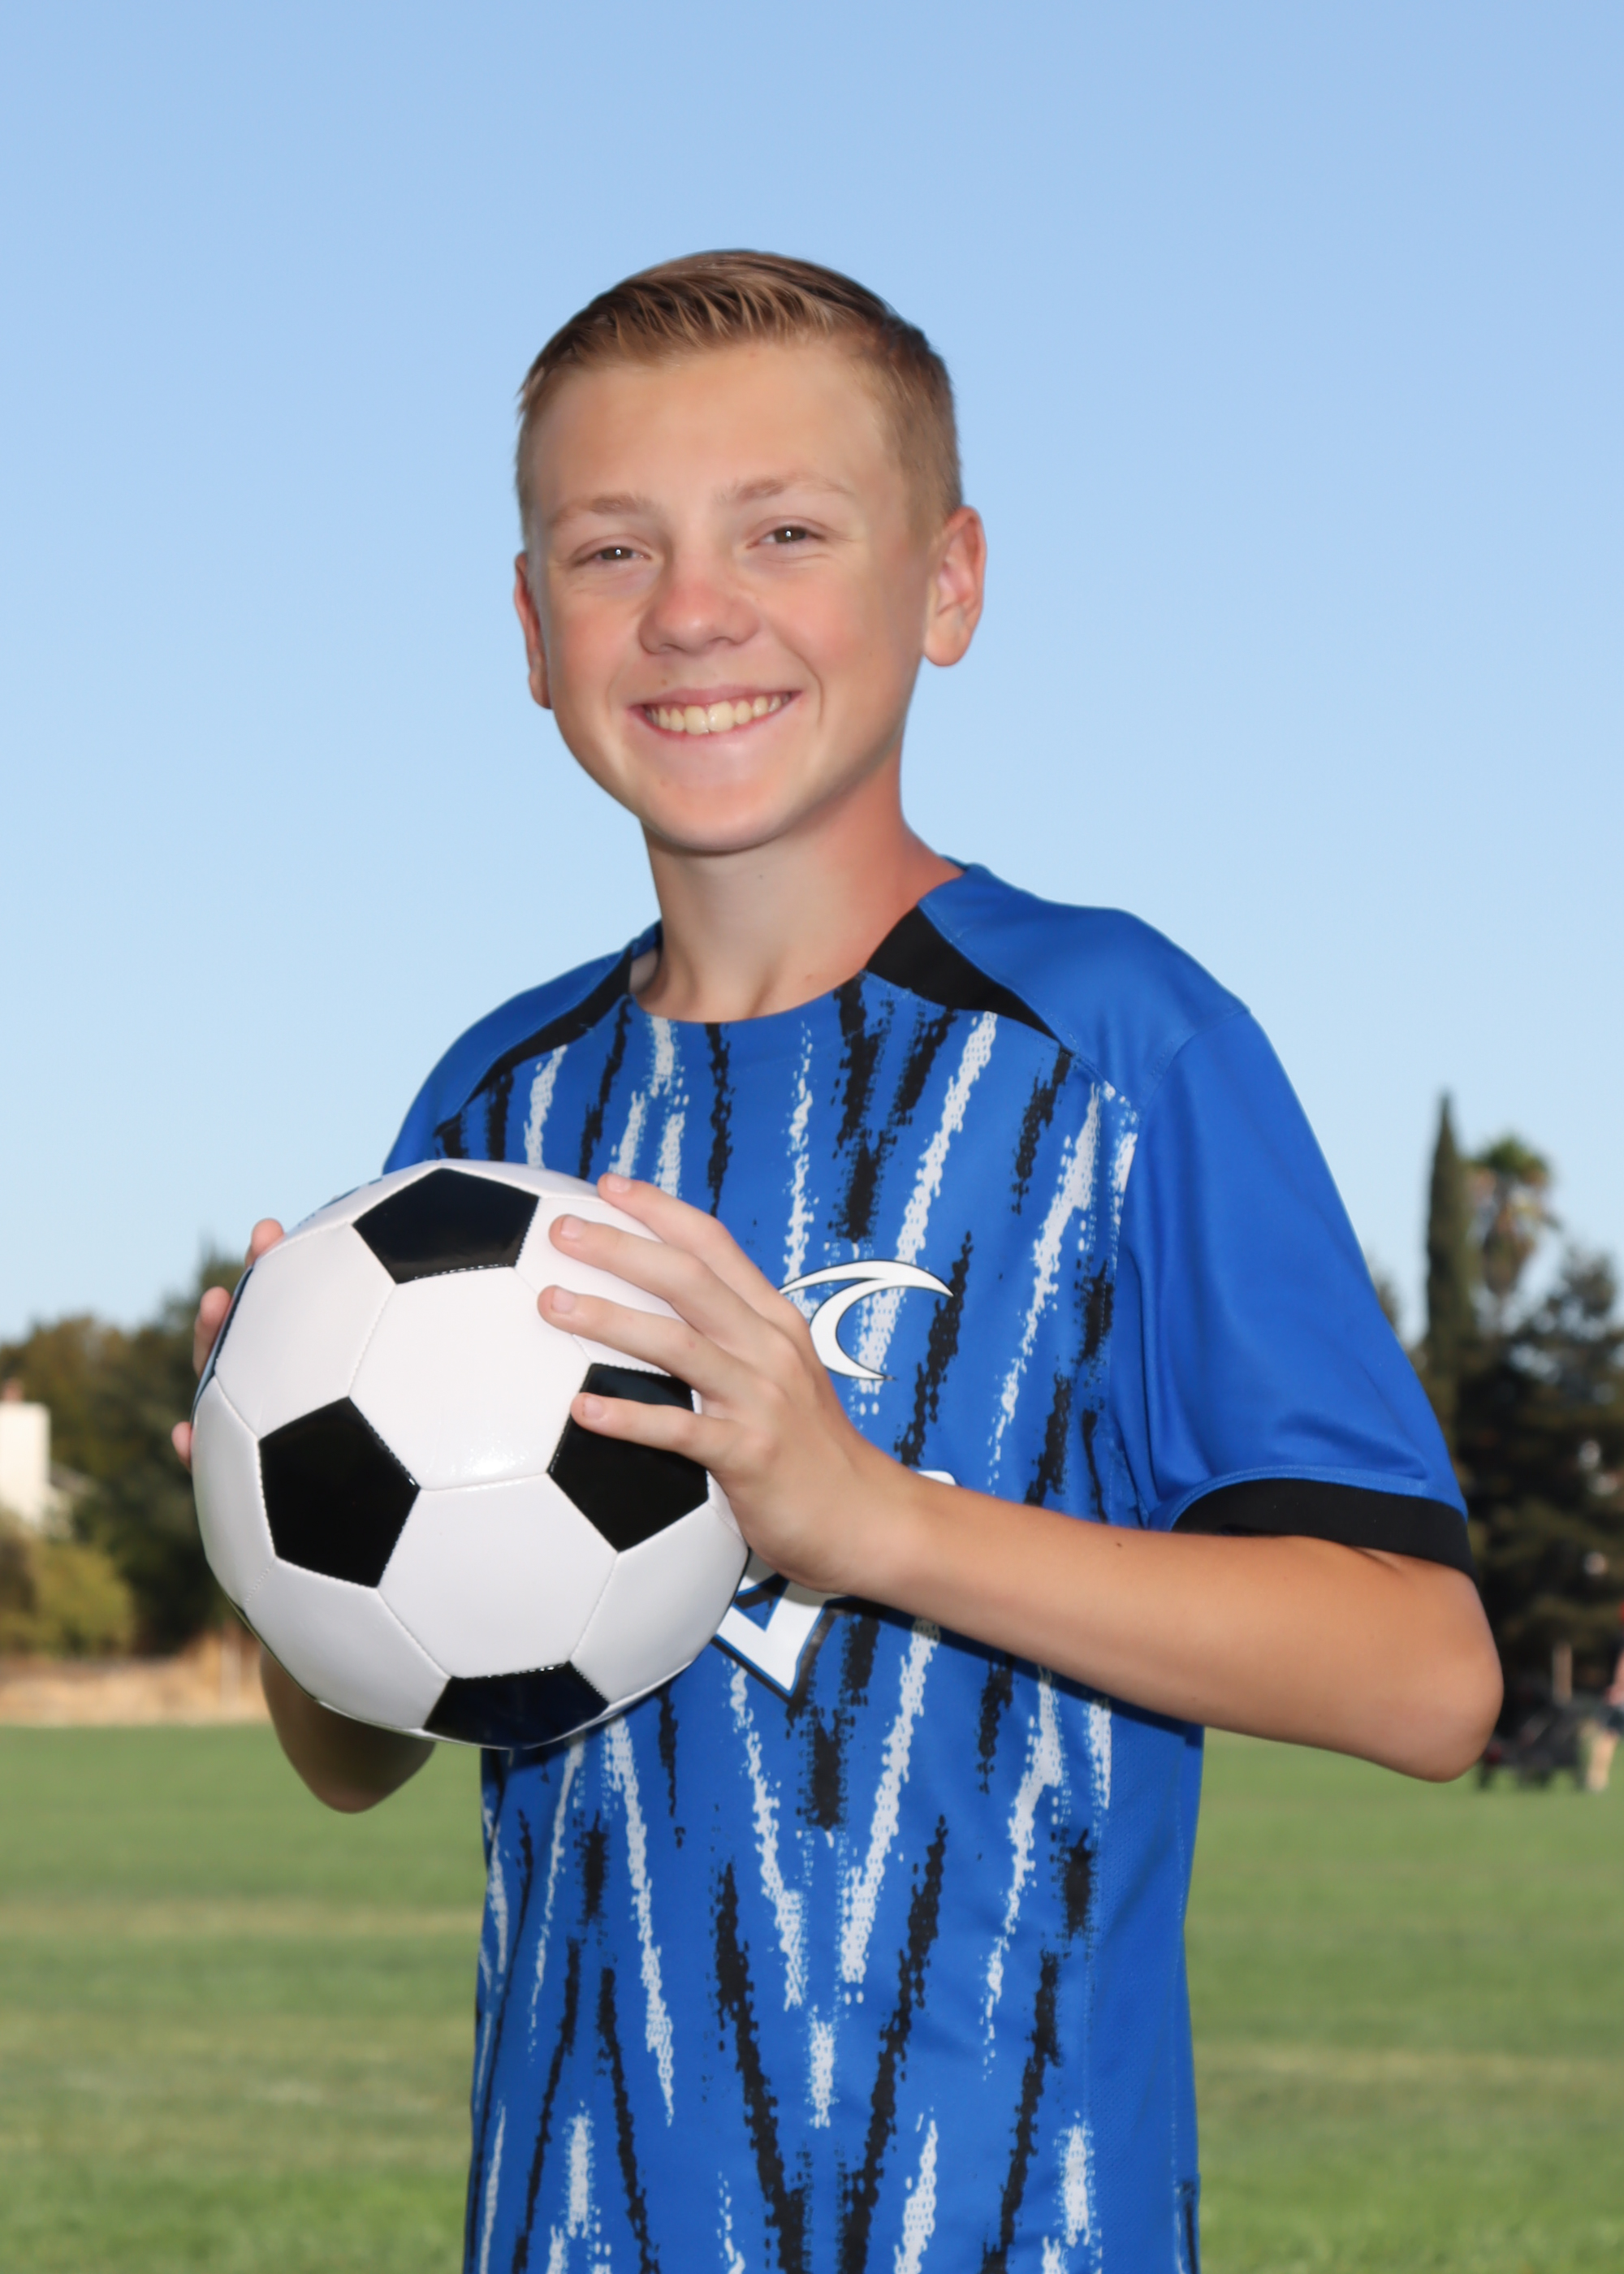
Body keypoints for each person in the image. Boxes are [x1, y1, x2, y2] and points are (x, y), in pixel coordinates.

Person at [175, 253, 1501, 2274]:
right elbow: (362, 1748)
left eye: (784, 531)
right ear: (532, 631)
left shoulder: (1116, 1045)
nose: (692, 608)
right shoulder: (493, 1108)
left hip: (1017, 2224)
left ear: (947, 583)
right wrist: (273, 1512)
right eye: (611, 548)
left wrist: (869, 1517)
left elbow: (1426, 1674)